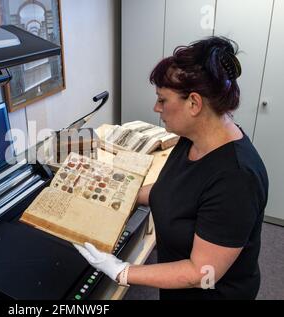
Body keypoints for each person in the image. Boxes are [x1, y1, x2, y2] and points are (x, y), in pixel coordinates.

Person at [74, 37, 269, 300]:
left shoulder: (236, 178)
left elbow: (201, 272)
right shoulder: (191, 138)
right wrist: (117, 193)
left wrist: (121, 271)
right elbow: (175, 188)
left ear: (194, 104)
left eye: (162, 100)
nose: (157, 108)